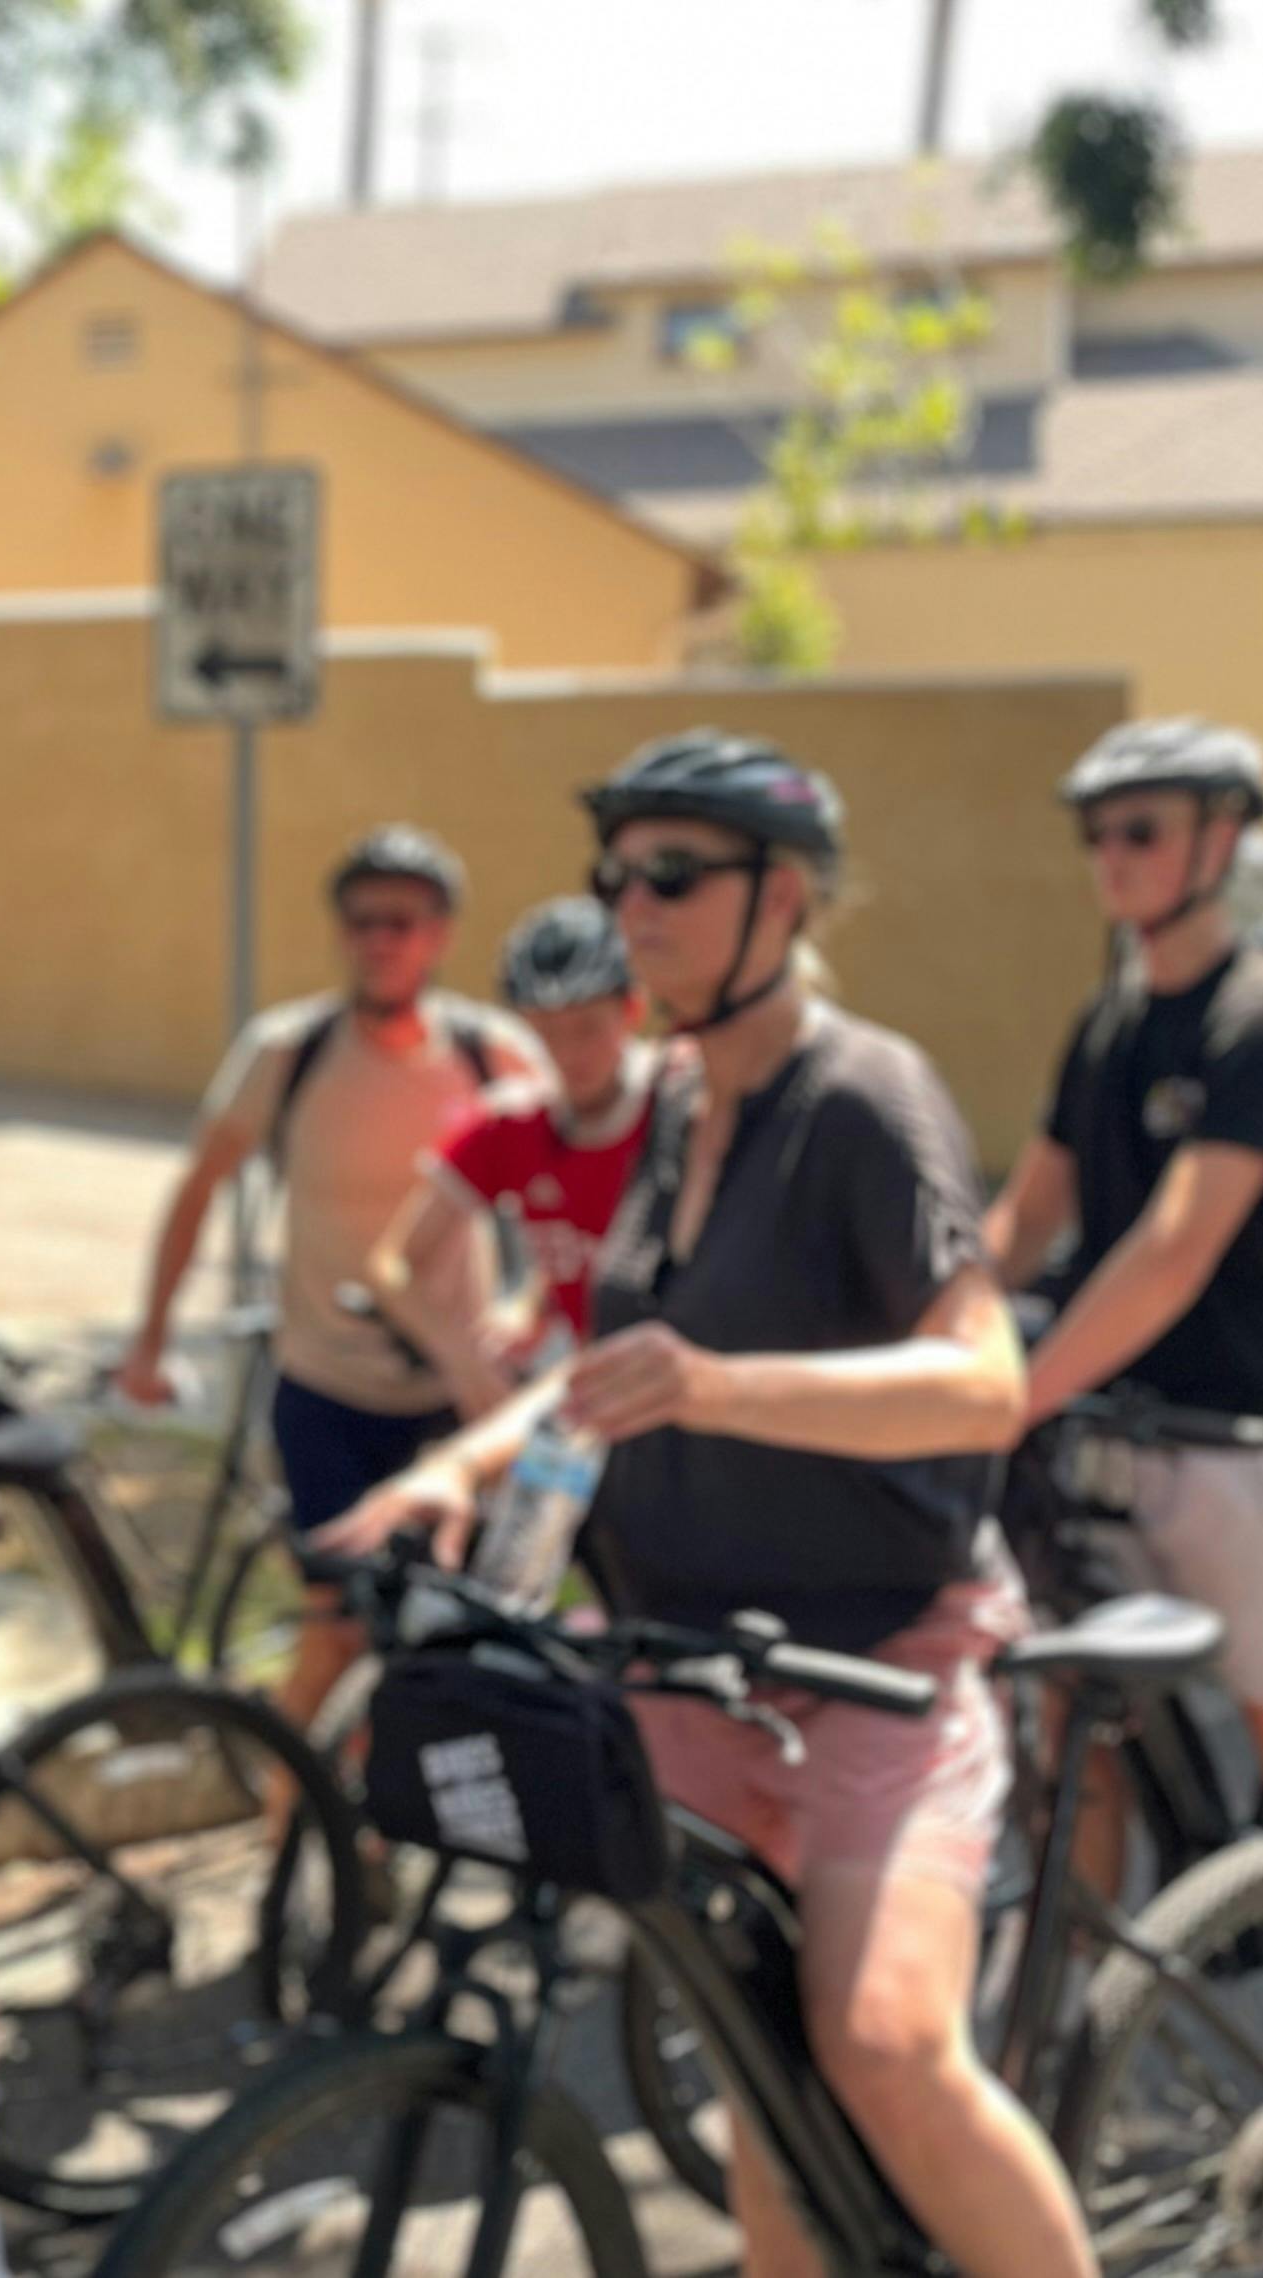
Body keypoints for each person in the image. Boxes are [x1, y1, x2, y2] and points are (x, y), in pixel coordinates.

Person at [324, 730, 1092, 2278]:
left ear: (785, 896)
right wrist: (447, 1466)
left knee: (880, 2043)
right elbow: (615, 1366)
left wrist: (722, 1385)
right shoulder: (679, 1097)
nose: (631, 906)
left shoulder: (864, 1099)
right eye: (618, 874)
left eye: (673, 874)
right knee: (751, 2062)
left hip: (873, 1662)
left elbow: (981, 1384)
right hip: (688, 1656)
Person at [117, 824, 535, 1726]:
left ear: (441, 932)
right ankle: (297, 1835)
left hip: (454, 1402)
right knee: (333, 1634)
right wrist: (148, 1340)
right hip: (325, 1391)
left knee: (439, 1645)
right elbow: (195, 1194)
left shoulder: (492, 1055)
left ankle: (385, 1826)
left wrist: (524, 1311)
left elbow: (562, 1191)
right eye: (361, 919)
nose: (380, 939)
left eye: (403, 920)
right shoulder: (286, 1051)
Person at [986, 717, 1263, 1754]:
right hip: (1104, 1436)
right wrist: (945, 1330)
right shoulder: (1105, 1022)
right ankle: (1094, 1927)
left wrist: (1015, 1397)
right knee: (1085, 1730)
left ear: (1223, 835)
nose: (1112, 858)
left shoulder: (1250, 1016)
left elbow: (1172, 1253)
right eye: (1097, 836)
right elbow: (1031, 1211)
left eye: (1140, 831)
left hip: (1228, 1441)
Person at [363, 896, 654, 1421]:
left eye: (589, 1027)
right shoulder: (513, 1122)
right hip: (583, 1392)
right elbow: (393, 1263)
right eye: (547, 1031)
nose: (568, 1054)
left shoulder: (683, 1114)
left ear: (632, 1010)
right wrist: (469, 1360)